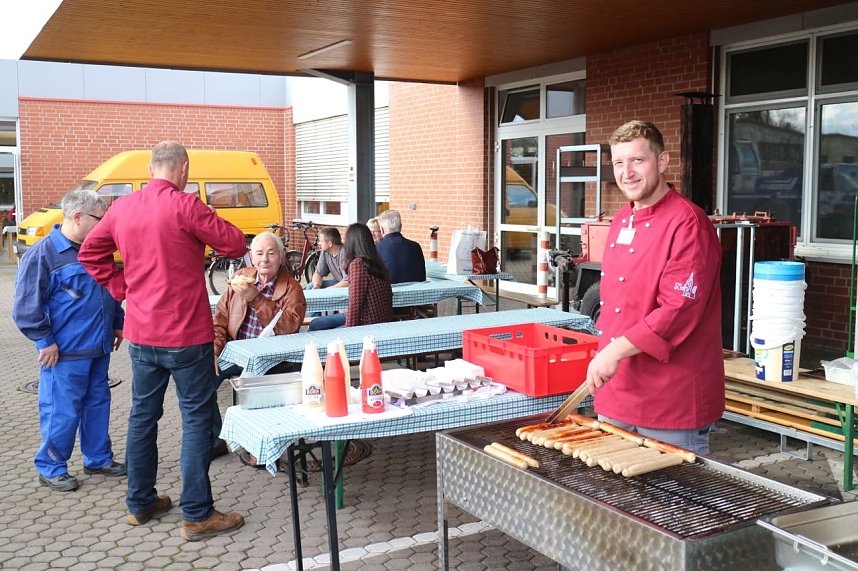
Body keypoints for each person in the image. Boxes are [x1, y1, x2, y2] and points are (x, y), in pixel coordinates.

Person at [78, 141, 248, 541]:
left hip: (141, 334)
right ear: (183, 168)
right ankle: (197, 514)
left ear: (152, 168)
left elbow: (90, 253)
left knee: (142, 417)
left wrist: (122, 289)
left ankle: (140, 504)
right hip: (185, 334)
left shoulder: (122, 207)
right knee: (194, 421)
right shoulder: (185, 205)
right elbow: (236, 244)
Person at [584, 120, 724, 456]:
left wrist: (612, 353)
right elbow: (617, 303)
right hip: (618, 391)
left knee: (673, 504)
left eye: (638, 161)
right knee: (616, 498)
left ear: (662, 162)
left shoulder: (688, 223)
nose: (627, 173)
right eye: (619, 163)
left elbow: (678, 309)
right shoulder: (620, 220)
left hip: (670, 400)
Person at [12, 190, 126, 492]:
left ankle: (98, 458)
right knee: (61, 411)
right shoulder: (43, 254)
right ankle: (51, 467)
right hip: (64, 353)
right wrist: (43, 340)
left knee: (97, 405)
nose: (105, 226)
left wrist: (117, 323)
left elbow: (110, 289)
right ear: (77, 217)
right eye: (100, 220)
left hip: (99, 347)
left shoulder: (98, 250)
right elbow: (25, 308)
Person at [212, 231, 306, 459]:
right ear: (251, 257)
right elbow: (221, 319)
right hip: (237, 352)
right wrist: (213, 351)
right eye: (260, 253)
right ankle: (215, 439)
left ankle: (262, 444)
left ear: (281, 256)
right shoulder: (241, 277)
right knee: (200, 380)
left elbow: (288, 327)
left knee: (260, 391)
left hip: (272, 359)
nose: (265, 259)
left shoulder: (291, 288)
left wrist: (256, 298)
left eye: (271, 253)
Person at [308, 223, 393, 330]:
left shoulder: (357, 264)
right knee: (315, 324)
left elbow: (355, 304)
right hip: (381, 317)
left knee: (317, 328)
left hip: (367, 321)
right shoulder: (377, 261)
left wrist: (348, 330)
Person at [375, 209, 426, 283]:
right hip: (414, 292)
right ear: (401, 226)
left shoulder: (377, 248)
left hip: (390, 292)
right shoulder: (415, 247)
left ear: (382, 229)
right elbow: (422, 278)